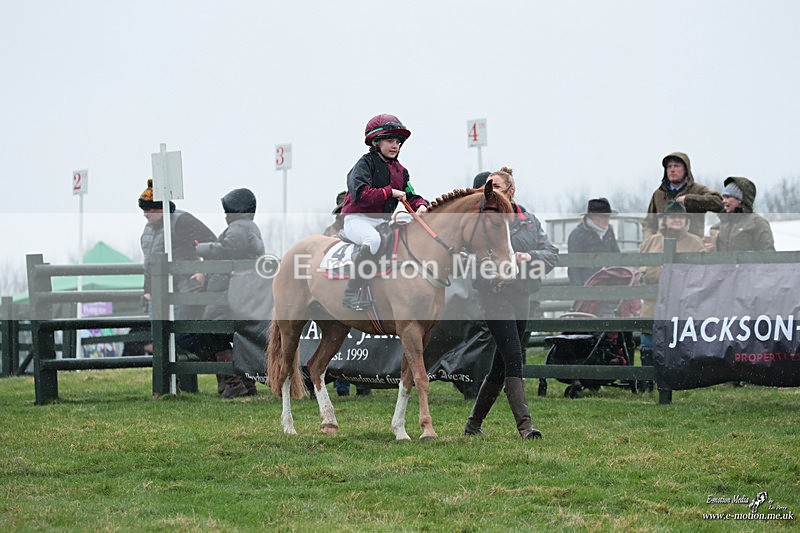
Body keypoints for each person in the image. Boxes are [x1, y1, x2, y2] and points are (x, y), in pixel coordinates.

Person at [464, 167, 559, 439]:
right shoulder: (481, 220)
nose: (490, 190)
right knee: (514, 356)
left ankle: (473, 425)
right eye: (488, 186)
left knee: (500, 363)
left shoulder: (529, 220)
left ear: (511, 190)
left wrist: (530, 256)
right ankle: (525, 426)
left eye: (496, 186)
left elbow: (551, 253)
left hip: (521, 294)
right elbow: (466, 254)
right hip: (493, 294)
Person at [341, 113, 429, 309]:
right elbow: (361, 194)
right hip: (357, 219)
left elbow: (410, 195)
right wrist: (390, 192)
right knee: (373, 241)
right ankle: (351, 293)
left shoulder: (401, 171)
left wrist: (421, 205)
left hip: (382, 222)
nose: (395, 145)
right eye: (390, 141)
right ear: (376, 142)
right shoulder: (364, 164)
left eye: (398, 142)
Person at [138, 178, 216, 389]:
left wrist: (203, 271)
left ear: (160, 207)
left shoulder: (182, 221)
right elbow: (149, 263)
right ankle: (178, 384)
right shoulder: (148, 231)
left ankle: (224, 366)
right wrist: (147, 289)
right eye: (143, 209)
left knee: (182, 335)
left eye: (149, 209)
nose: (145, 214)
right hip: (160, 293)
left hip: (186, 289)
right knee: (162, 337)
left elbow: (212, 243)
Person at [194, 188, 265, 398]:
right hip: (238, 289)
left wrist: (202, 249)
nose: (225, 214)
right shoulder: (248, 227)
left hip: (227, 290)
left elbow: (228, 249)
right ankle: (245, 381)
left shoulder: (238, 228)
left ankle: (234, 383)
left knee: (213, 332)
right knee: (231, 335)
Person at [638, 200, 705, 391]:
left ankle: (678, 380)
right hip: (653, 301)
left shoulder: (695, 243)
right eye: (672, 216)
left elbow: (701, 273)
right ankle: (647, 380)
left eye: (680, 217)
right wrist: (648, 275)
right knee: (649, 339)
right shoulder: (652, 241)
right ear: (665, 220)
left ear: (686, 220)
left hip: (681, 303)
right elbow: (640, 267)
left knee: (679, 341)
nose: (677, 220)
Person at [323, 190, 373, 397]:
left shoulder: (364, 229)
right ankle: (341, 385)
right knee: (341, 341)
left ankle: (363, 383)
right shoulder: (331, 232)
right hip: (339, 286)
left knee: (361, 341)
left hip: (360, 285)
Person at [641, 152, 723, 240]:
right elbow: (649, 223)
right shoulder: (659, 194)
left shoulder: (698, 190)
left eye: (676, 166)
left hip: (691, 245)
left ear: (686, 169)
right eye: (669, 166)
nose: (672, 170)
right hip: (663, 245)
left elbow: (719, 203)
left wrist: (688, 200)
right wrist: (649, 240)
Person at [707, 177, 775, 252]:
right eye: (723, 197)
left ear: (740, 200)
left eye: (728, 197)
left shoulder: (757, 223)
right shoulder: (716, 228)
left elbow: (768, 254)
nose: (723, 201)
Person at [567, 197, 621, 287]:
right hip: (589, 285)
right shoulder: (577, 235)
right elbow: (573, 267)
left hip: (610, 284)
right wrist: (579, 290)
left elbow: (617, 256)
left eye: (608, 216)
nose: (607, 219)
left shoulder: (609, 232)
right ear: (592, 217)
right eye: (603, 216)